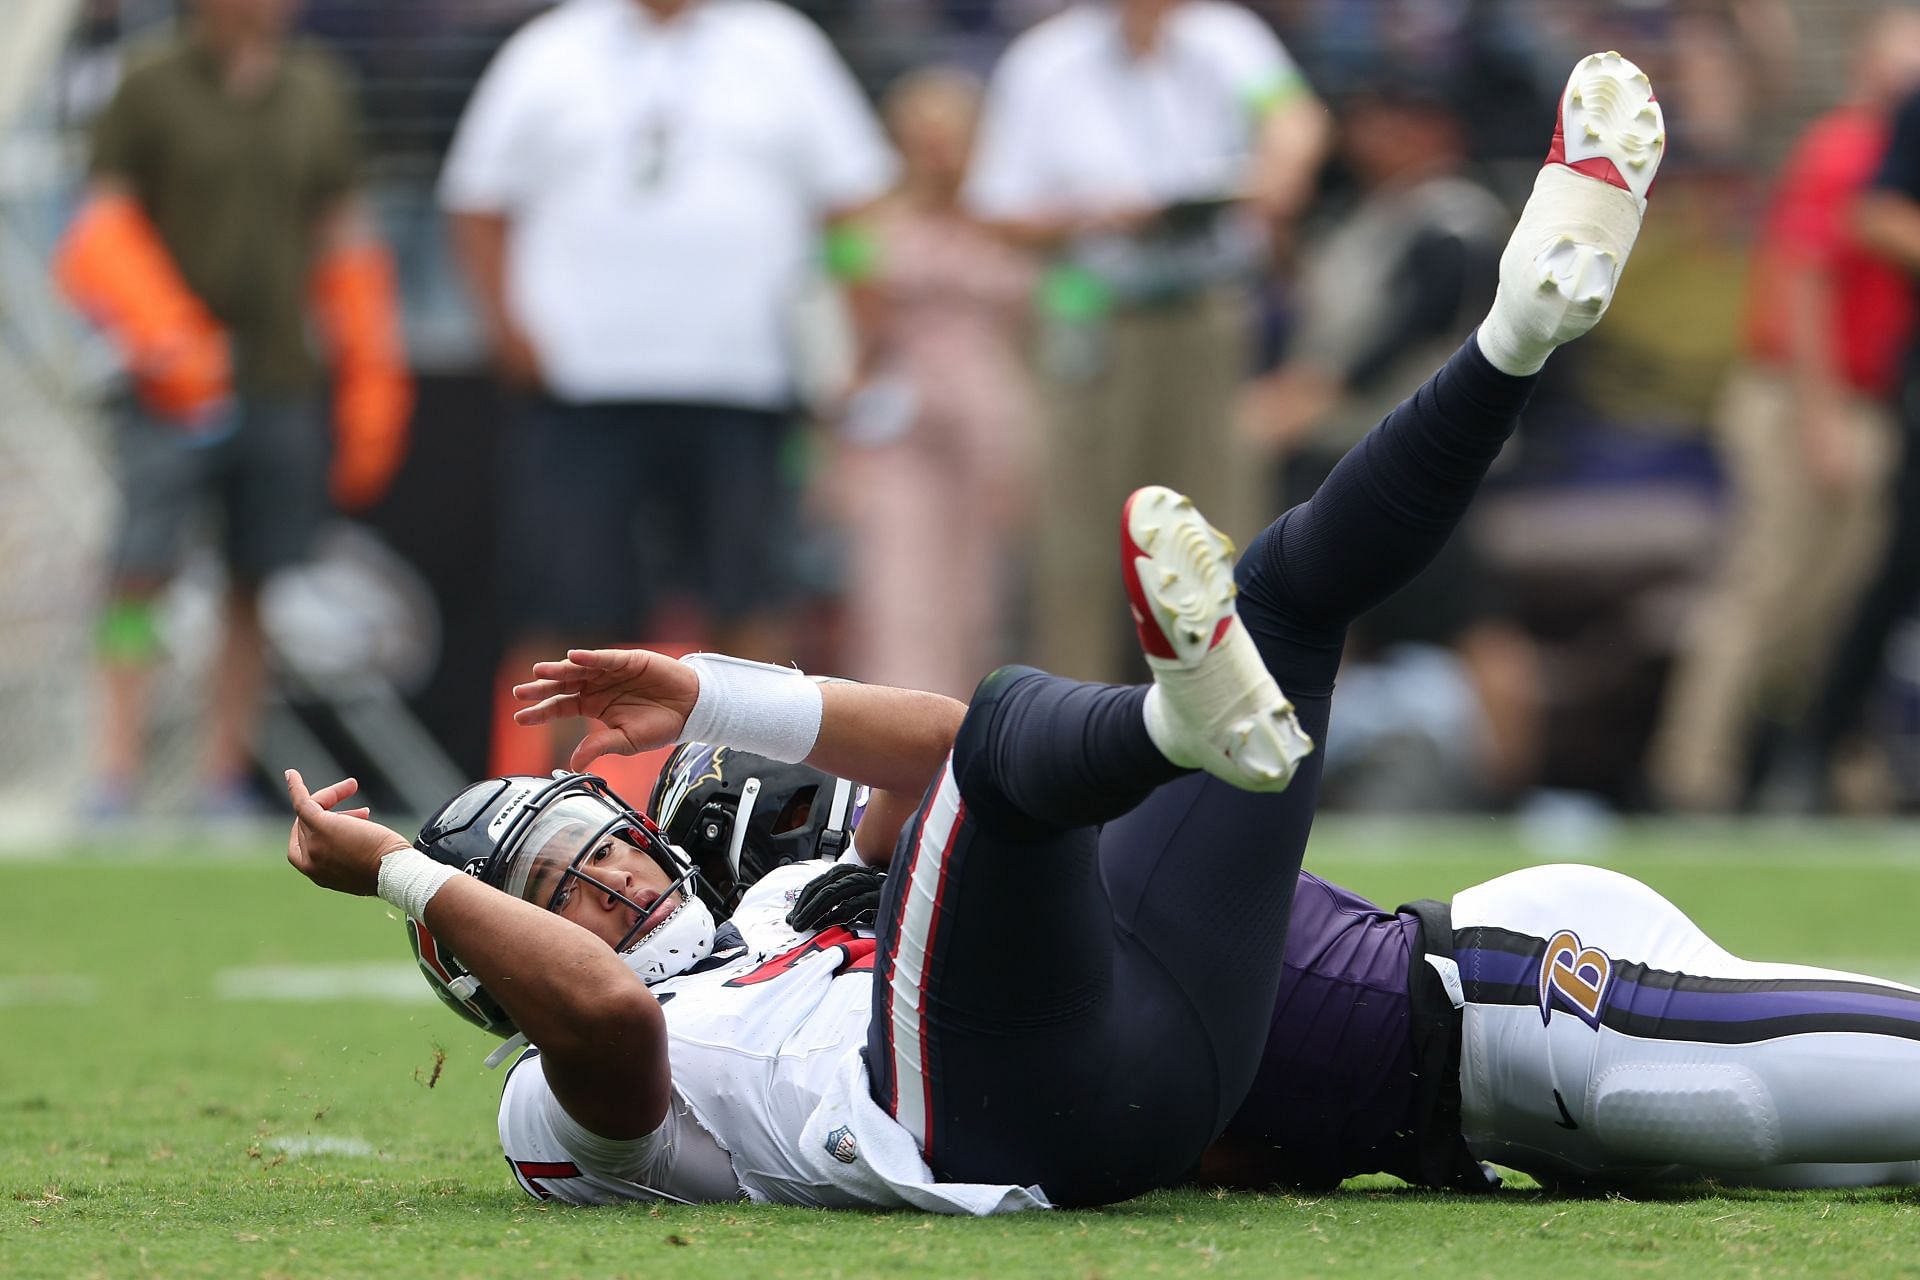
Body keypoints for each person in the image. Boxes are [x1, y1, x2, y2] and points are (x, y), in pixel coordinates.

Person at [284, 53, 1663, 1211]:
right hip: (980, 1130)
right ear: (495, 976)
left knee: (1283, 592)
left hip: (1164, 1064)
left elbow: (935, 751)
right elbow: (607, 1013)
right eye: (568, 886)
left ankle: (1511, 339)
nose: (619, 880)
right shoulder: (555, 1098)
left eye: (605, 847)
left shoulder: (769, 913)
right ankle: (1178, 722)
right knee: (1012, 724)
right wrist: (405, 872)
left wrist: (706, 690)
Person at [649, 749, 1920, 1193]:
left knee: (1731, 1093)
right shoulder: (895, 1004)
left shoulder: (967, 879)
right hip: (1484, 1106)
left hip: (1511, 994)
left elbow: (968, 746)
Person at [438, 0, 895, 694]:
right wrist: (508, 333)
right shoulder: (550, 49)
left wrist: (848, 343)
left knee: (748, 602)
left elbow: (855, 207)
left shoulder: (781, 46)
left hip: (745, 376)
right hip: (581, 382)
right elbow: (477, 202)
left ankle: (756, 790)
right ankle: (567, 799)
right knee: (571, 605)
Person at [57, 0, 412, 817]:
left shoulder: (317, 86)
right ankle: (114, 773)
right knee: (138, 573)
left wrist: (369, 372)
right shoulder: (149, 84)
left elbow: (342, 229)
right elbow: (101, 222)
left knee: (253, 585)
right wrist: (163, 335)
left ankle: (222, 779)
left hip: (280, 375)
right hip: (169, 385)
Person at [963, 0, 1330, 685]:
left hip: (1206, 316)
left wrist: (1278, 169)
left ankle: (1223, 730)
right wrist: (1103, 213)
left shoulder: (1226, 37)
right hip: (1095, 316)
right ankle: (1073, 736)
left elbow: (1294, 117)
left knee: (1215, 530)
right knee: (1077, 542)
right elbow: (996, 212)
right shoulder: (1046, 62)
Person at [1648, 7, 1920, 813]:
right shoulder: (1849, 150)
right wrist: (1820, 414)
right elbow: (1802, 280)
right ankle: (1691, 775)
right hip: (1805, 397)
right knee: (1764, 589)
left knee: (1832, 599)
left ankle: (1811, 767)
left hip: (1857, 399)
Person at [829, 67, 1038, 700]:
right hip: (901, 416)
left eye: (953, 135)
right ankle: (893, 739)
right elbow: (844, 326)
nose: (939, 150)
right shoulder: (861, 228)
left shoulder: (1016, 226)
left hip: (992, 417)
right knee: (898, 584)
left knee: (981, 591)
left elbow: (1047, 318)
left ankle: (974, 741)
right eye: (924, 135)